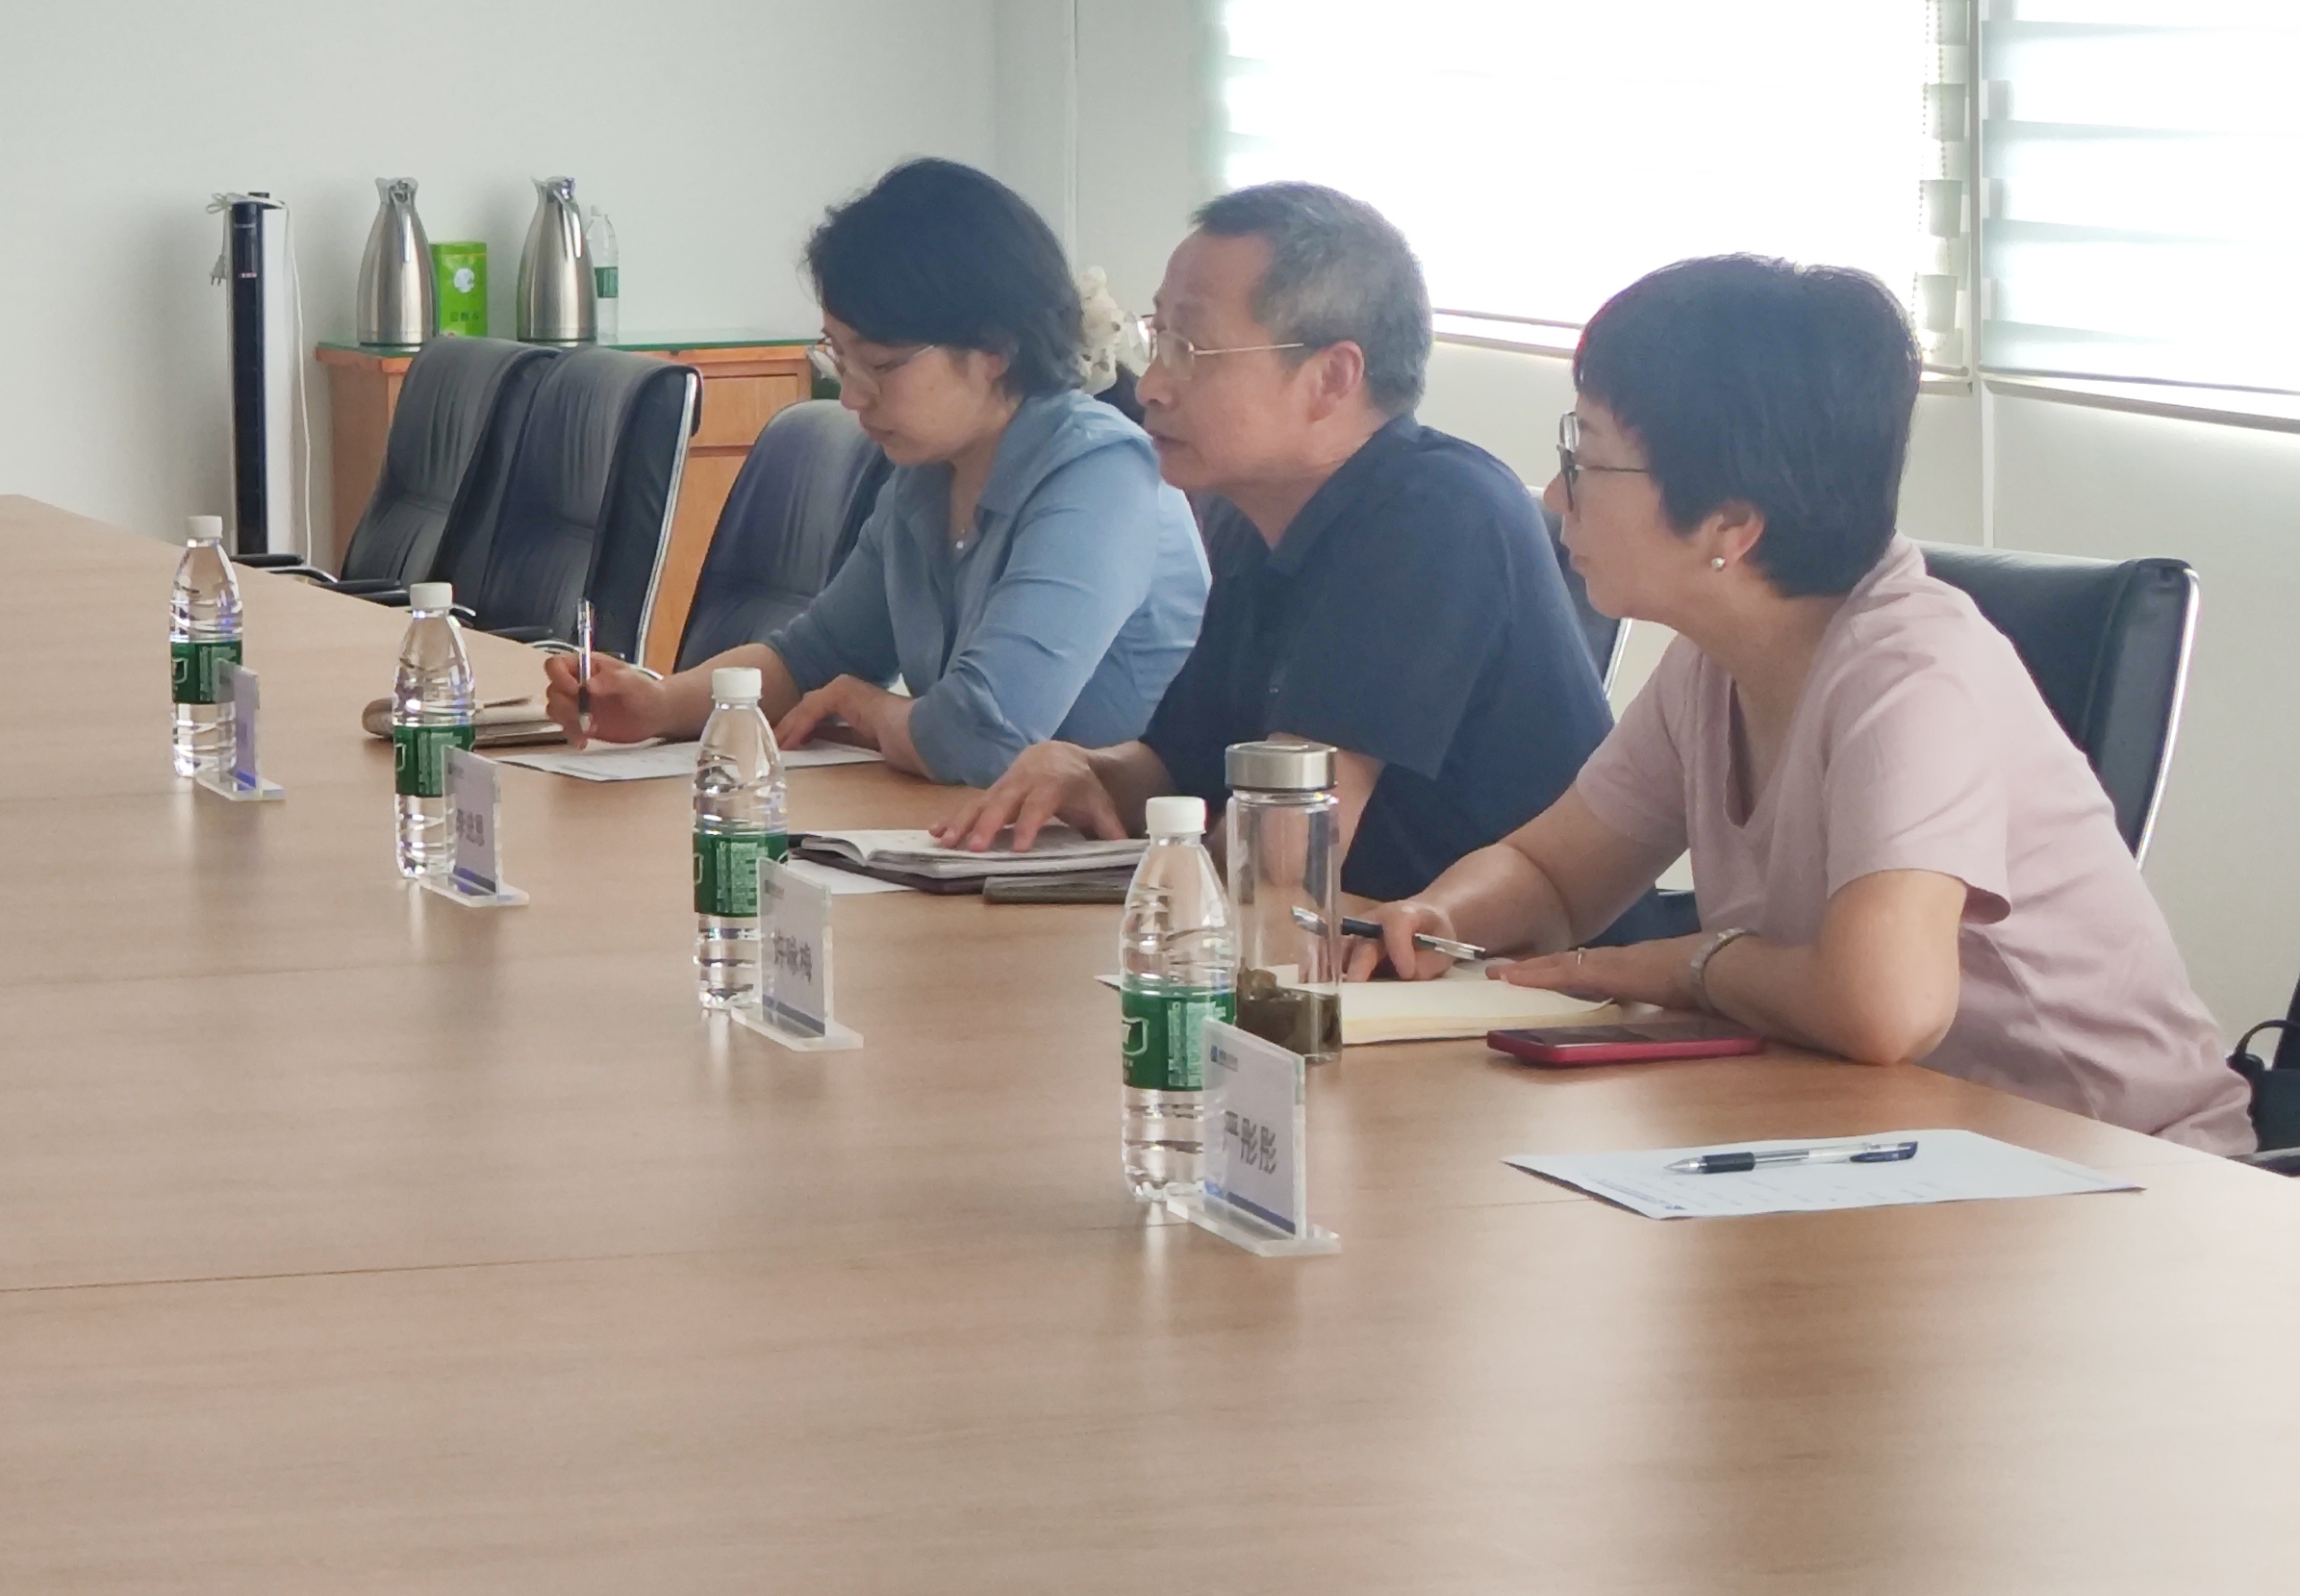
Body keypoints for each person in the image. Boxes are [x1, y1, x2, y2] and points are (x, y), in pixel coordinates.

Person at [1368, 257, 2245, 1153]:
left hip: (2122, 1167)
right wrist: (1441, 916)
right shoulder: (1714, 658)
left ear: (1729, 525)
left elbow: (1884, 1007)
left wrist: (1681, 965)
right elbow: (1553, 875)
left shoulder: (1912, 671)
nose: (1557, 497)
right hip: (1899, 1145)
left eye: (1585, 461)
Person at [948, 183, 1610, 896]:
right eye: (1156, 338)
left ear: (1331, 378)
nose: (1151, 386)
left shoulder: (1437, 515)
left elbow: (1283, 852)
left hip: (1491, 959)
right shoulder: (1253, 514)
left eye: (1190, 348)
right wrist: (1085, 769)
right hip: (1338, 948)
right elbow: (1180, 770)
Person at [546, 160, 1203, 780]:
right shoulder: (927, 473)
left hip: (1119, 855)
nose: (853, 396)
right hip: (984, 839)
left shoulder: (1100, 475)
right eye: (840, 357)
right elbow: (812, 656)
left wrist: (867, 708)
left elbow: (985, 736)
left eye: (882, 364)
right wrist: (659, 704)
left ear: (994, 348)